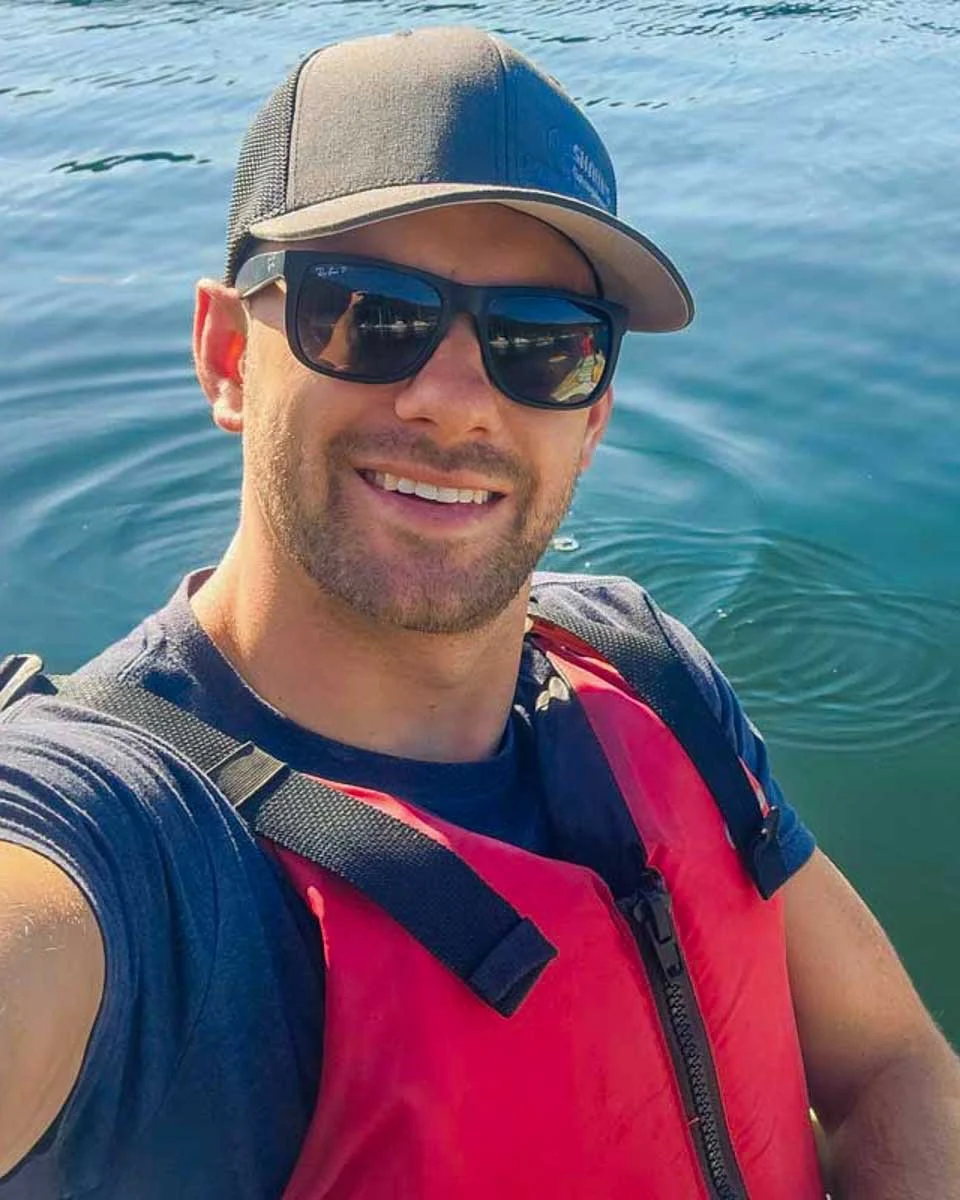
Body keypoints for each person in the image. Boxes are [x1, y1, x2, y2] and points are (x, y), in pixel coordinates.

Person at [0, 25, 958, 1200]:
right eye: (369, 312)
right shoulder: (124, 842)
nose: (455, 402)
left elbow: (892, 1061)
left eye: (540, 343)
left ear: (592, 418)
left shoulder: (645, 666)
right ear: (227, 357)